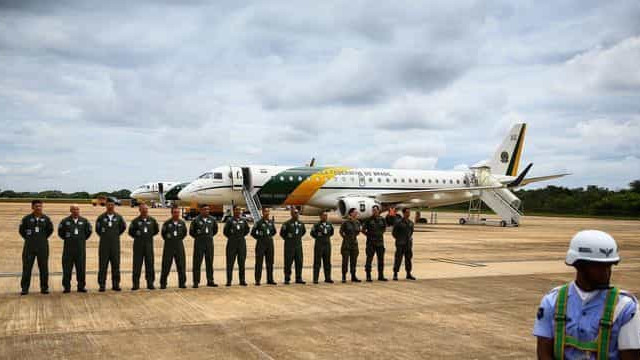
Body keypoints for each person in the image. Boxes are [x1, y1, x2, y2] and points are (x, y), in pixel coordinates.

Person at [534, 230, 640, 359]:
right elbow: (543, 353)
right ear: (578, 265)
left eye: (609, 266)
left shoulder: (626, 307)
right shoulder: (552, 301)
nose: (606, 273)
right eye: (598, 267)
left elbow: (631, 357)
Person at [19, 200, 54, 295]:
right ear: (32, 207)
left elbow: (50, 230)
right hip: (29, 247)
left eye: (40, 206)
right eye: (36, 206)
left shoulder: (46, 219)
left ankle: (44, 288)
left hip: (42, 247)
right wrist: (30, 239)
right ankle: (25, 288)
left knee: (43, 268)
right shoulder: (26, 219)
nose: (38, 208)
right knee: (27, 268)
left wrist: (41, 238)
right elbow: (22, 231)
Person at [58, 204, 92, 293]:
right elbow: (61, 233)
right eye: (73, 209)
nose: (75, 211)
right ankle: (66, 287)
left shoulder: (84, 221)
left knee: (81, 269)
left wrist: (81, 239)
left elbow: (88, 232)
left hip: (80, 250)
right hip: (68, 250)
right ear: (70, 210)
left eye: (77, 209)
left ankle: (81, 286)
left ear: (79, 210)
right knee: (67, 269)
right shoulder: (65, 221)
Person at [96, 198, 126, 292]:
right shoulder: (101, 217)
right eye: (108, 205)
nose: (110, 206)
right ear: (106, 206)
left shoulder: (119, 217)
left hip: (115, 245)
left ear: (114, 206)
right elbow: (98, 230)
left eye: (112, 205)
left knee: (116, 265)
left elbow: (123, 228)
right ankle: (102, 284)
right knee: (102, 266)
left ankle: (116, 284)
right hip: (104, 245)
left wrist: (114, 235)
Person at [128, 203, 159, 290]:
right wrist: (137, 235)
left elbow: (156, 231)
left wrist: (148, 236)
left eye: (146, 209)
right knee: (137, 265)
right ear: (139, 210)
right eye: (143, 209)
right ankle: (135, 284)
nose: (145, 211)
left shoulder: (152, 220)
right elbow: (130, 232)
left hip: (149, 246)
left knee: (150, 265)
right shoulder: (135, 221)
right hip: (138, 246)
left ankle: (150, 283)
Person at [189, 204, 219, 288]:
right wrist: (199, 237)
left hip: (209, 243)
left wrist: (209, 236)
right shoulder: (196, 220)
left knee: (209, 262)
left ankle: (210, 280)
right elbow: (191, 232)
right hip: (199, 243)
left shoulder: (212, 219)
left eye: (208, 209)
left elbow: (215, 230)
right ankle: (196, 281)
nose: (207, 211)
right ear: (201, 210)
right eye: (205, 209)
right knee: (197, 263)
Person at [160, 206, 188, 289]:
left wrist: (178, 239)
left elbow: (184, 233)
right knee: (166, 265)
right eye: (175, 212)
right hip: (169, 246)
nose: (177, 214)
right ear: (171, 213)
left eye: (178, 212)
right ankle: (163, 283)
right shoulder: (167, 223)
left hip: (179, 246)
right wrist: (170, 239)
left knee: (181, 265)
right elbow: (163, 234)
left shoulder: (182, 223)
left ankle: (182, 283)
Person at [223, 206, 250, 286]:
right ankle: (229, 281)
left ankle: (242, 280)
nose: (238, 211)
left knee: (241, 262)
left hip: (241, 243)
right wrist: (232, 237)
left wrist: (240, 236)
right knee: (230, 263)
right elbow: (225, 232)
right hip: (232, 243)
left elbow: (247, 230)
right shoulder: (229, 220)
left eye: (239, 210)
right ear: (233, 211)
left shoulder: (243, 221)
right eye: (236, 210)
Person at [250, 207, 277, 286]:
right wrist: (259, 237)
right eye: (265, 211)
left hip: (270, 244)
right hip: (261, 244)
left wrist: (268, 237)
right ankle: (257, 280)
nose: (267, 213)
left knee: (270, 263)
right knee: (259, 262)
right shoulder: (258, 223)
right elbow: (253, 233)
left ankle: (270, 279)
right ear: (262, 212)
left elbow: (274, 232)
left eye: (268, 211)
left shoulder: (271, 222)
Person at [280, 208, 307, 285]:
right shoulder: (286, 224)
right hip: (289, 246)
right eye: (295, 213)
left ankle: (298, 278)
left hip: (298, 246)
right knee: (288, 262)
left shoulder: (301, 224)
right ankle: (287, 278)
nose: (297, 214)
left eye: (297, 213)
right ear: (291, 214)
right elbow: (282, 234)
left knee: (299, 262)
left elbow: (303, 232)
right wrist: (289, 239)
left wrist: (296, 238)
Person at [362, 205, 388, 282]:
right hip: (371, 243)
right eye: (373, 210)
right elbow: (363, 230)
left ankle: (381, 275)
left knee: (381, 260)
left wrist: (379, 234)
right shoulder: (368, 220)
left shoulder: (382, 219)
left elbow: (384, 228)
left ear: (378, 211)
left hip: (380, 242)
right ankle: (368, 276)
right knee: (369, 259)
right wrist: (369, 235)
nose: (375, 211)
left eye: (376, 210)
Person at [310, 211, 334, 284]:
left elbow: (331, 233)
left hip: (327, 245)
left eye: (326, 216)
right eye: (323, 215)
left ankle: (328, 278)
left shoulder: (329, 224)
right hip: (319, 245)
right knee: (317, 262)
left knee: (327, 262)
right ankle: (315, 279)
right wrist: (319, 237)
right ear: (320, 216)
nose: (325, 217)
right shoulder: (316, 225)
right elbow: (312, 233)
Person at [392, 208, 416, 281]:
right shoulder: (398, 222)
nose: (408, 214)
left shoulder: (411, 223)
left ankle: (408, 273)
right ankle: (395, 274)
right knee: (398, 259)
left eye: (409, 212)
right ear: (404, 213)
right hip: (400, 243)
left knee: (408, 259)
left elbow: (411, 232)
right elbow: (394, 233)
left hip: (408, 244)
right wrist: (399, 239)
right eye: (407, 212)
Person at [339, 208, 361, 283]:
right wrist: (346, 238)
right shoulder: (345, 222)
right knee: (345, 261)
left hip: (354, 244)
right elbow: (341, 232)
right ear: (350, 213)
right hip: (346, 244)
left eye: (356, 212)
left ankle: (353, 276)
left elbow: (358, 232)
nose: (356, 213)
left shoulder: (357, 222)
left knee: (354, 261)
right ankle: (344, 276)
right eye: (355, 212)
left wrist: (353, 237)